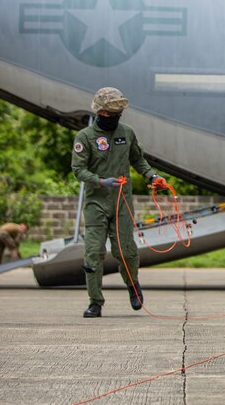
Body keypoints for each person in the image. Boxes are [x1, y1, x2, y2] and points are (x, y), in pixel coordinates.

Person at [72, 87, 168, 318]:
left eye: (117, 114)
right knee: (93, 253)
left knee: (126, 250)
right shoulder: (85, 137)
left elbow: (138, 160)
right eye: (109, 114)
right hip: (96, 202)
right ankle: (95, 302)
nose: (114, 118)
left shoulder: (127, 132)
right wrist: (100, 181)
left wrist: (153, 177)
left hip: (122, 201)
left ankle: (133, 285)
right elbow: (78, 169)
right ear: (99, 112)